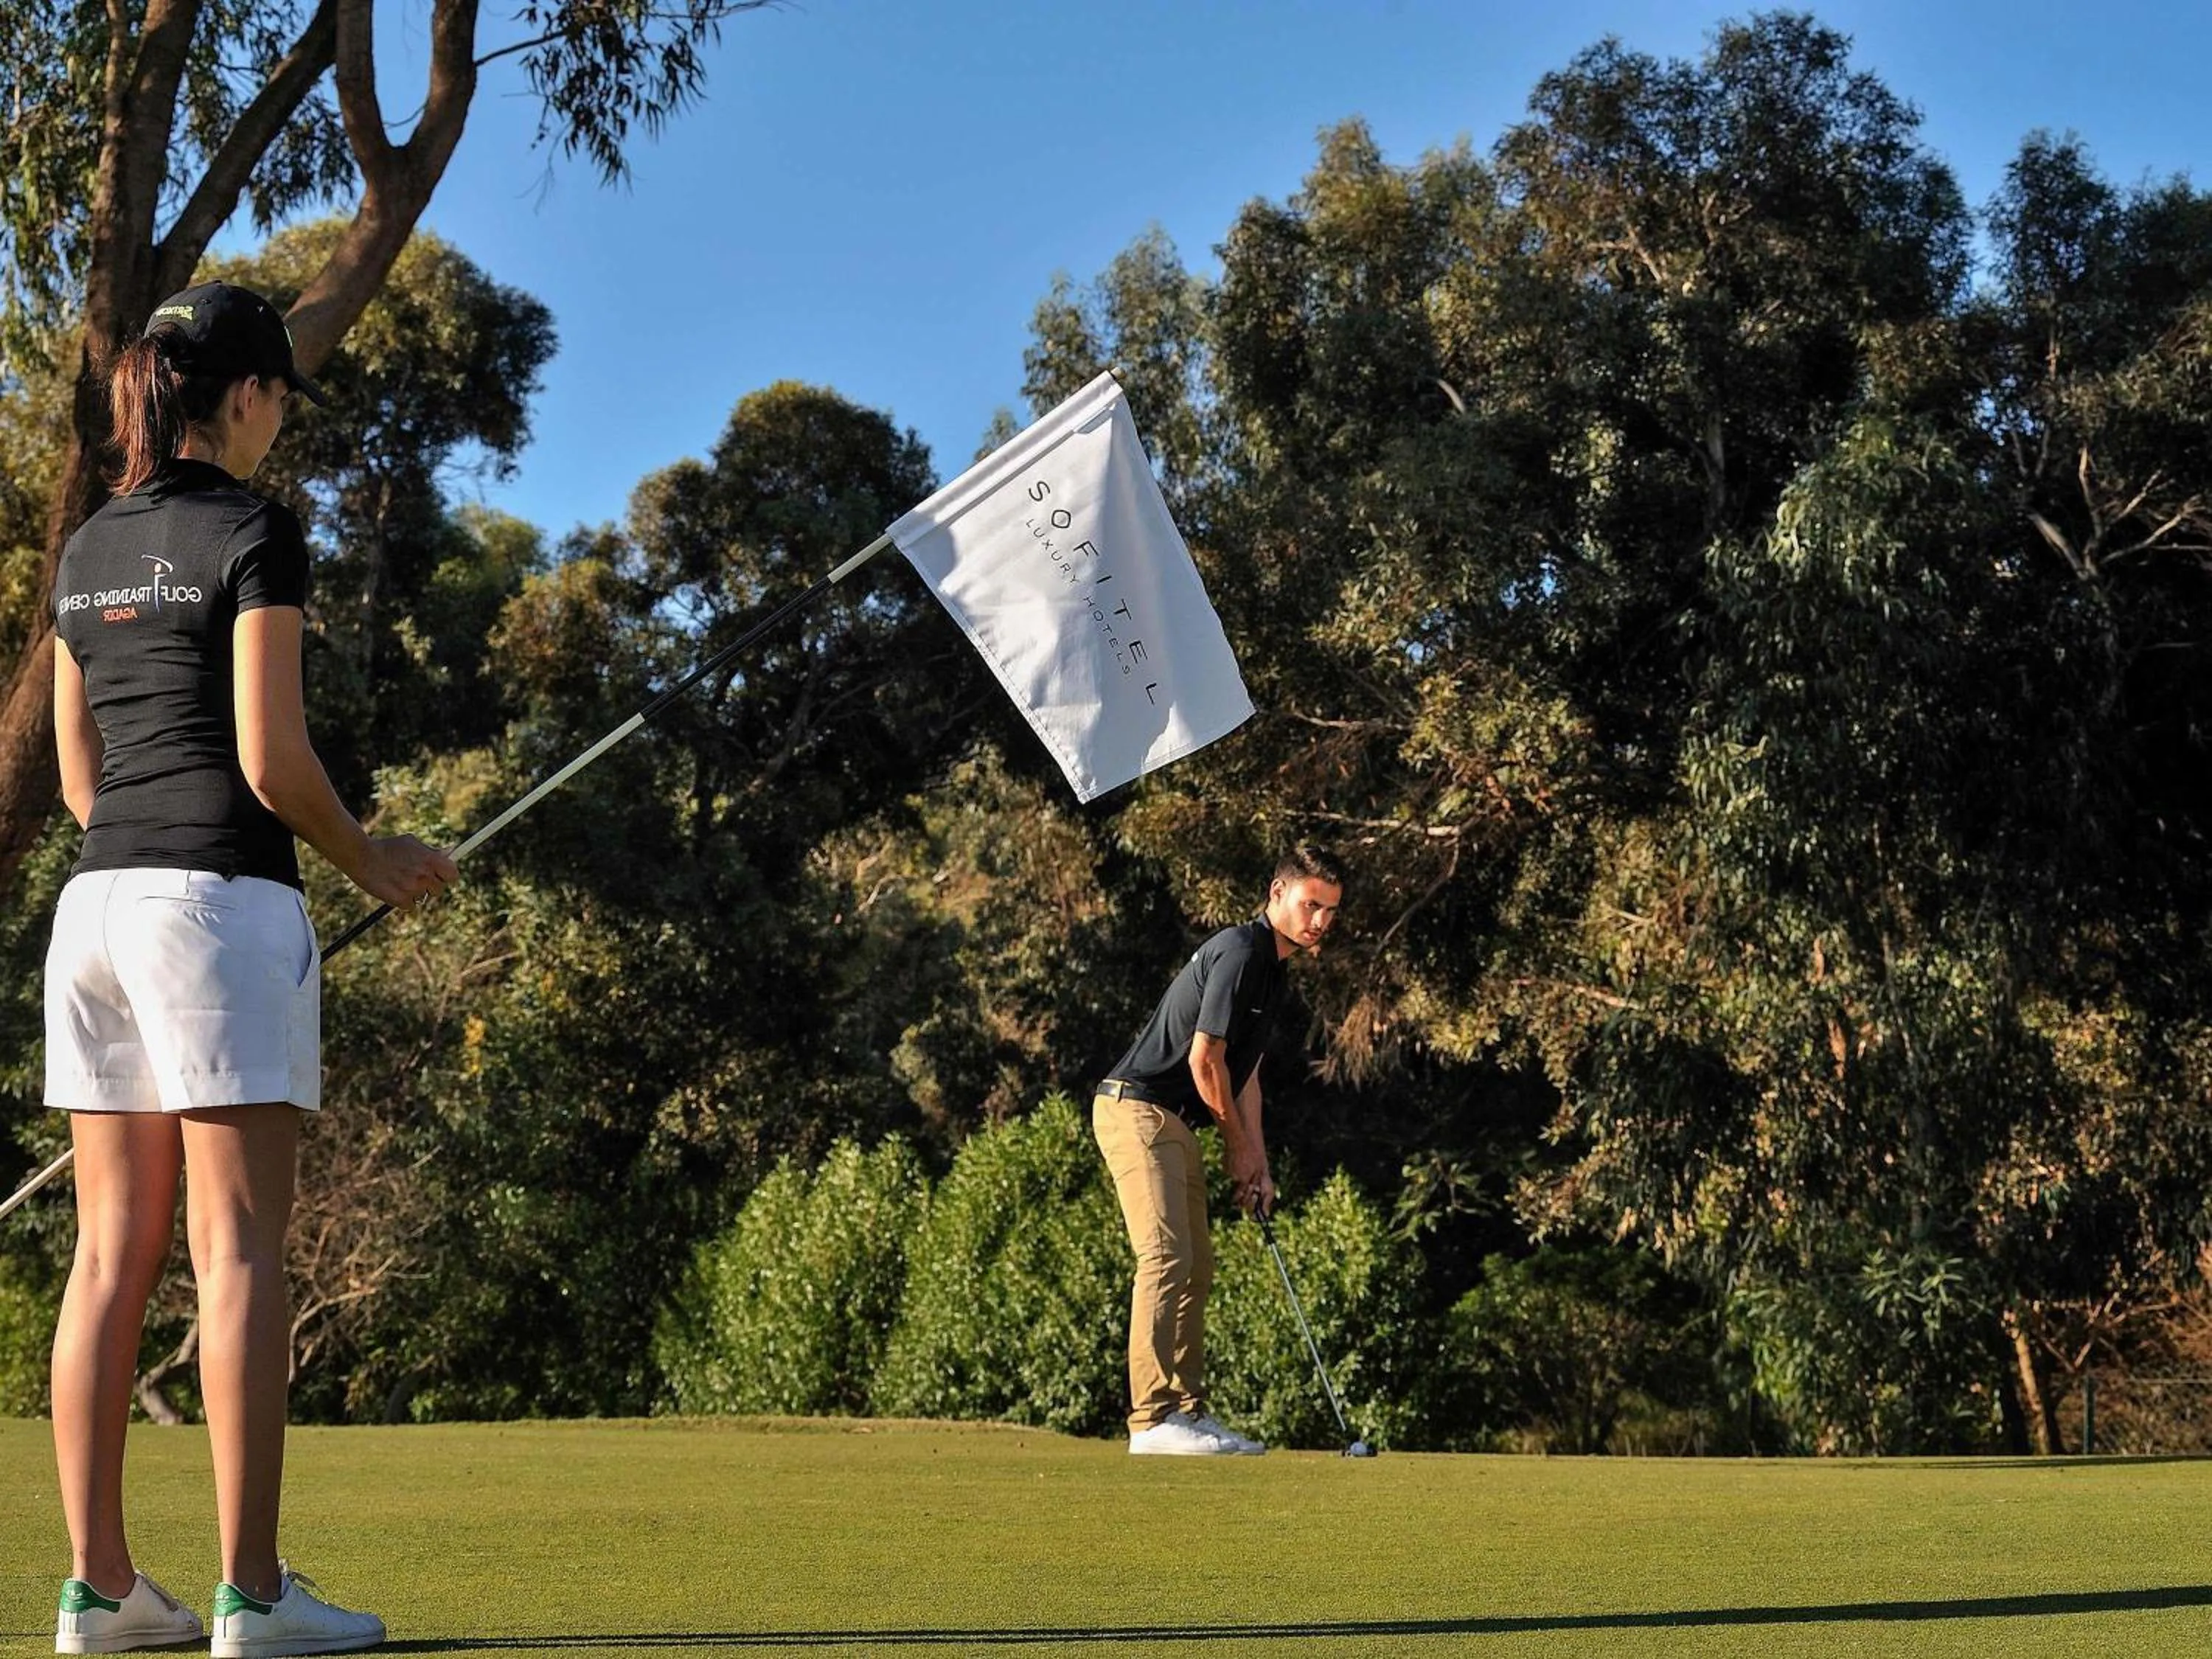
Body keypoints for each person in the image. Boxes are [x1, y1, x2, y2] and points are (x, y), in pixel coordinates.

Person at [45, 281, 456, 1658]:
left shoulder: (89, 546)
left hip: (94, 909)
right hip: (217, 906)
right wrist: (372, 859)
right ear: (246, 396)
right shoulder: (257, 530)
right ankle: (254, 1597)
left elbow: (76, 775)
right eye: (281, 394)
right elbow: (274, 761)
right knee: (237, 1251)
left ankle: (101, 1593)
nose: (283, 417)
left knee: (108, 1253)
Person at [1092, 843, 1346, 1455]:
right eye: (1311, 905)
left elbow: (1244, 1076)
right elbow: (1205, 1060)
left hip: (1175, 1119)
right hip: (1136, 1108)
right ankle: (1151, 1422)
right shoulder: (1240, 951)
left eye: (1330, 912)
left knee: (1196, 1267)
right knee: (1165, 1257)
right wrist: (1235, 1146)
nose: (1319, 922)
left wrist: (1255, 1159)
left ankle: (1187, 1413)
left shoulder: (1272, 971)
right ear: (1276, 892)